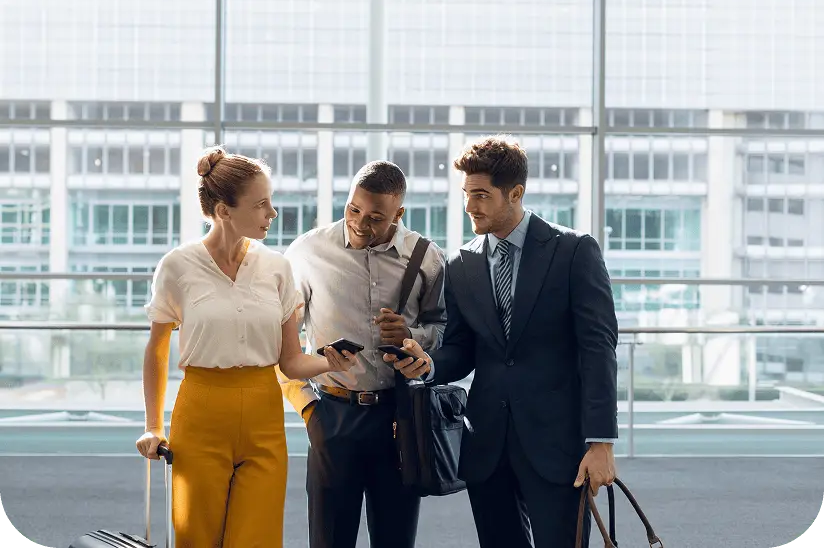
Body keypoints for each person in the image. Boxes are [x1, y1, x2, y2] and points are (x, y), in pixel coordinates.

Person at [386, 136, 619, 548]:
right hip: (487, 445)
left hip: (558, 446)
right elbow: (463, 349)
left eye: (480, 195)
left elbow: (598, 350)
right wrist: (430, 364)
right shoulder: (462, 263)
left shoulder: (573, 251)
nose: (469, 206)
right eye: (465, 194)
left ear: (515, 193)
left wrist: (600, 442)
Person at [136, 146, 356, 548]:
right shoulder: (178, 266)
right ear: (223, 210)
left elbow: (289, 362)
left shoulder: (277, 268)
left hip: (264, 416)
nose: (272, 214)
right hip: (201, 411)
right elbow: (157, 350)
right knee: (196, 538)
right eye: (261, 205)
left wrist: (328, 361)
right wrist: (153, 426)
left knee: (256, 539)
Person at [279, 160, 447, 548]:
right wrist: (308, 410)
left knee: (395, 539)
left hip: (400, 419)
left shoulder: (427, 258)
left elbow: (441, 329)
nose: (359, 223)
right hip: (332, 415)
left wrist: (412, 334)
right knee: (329, 540)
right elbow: (281, 343)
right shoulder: (307, 252)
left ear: (398, 214)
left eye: (375, 217)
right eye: (354, 209)